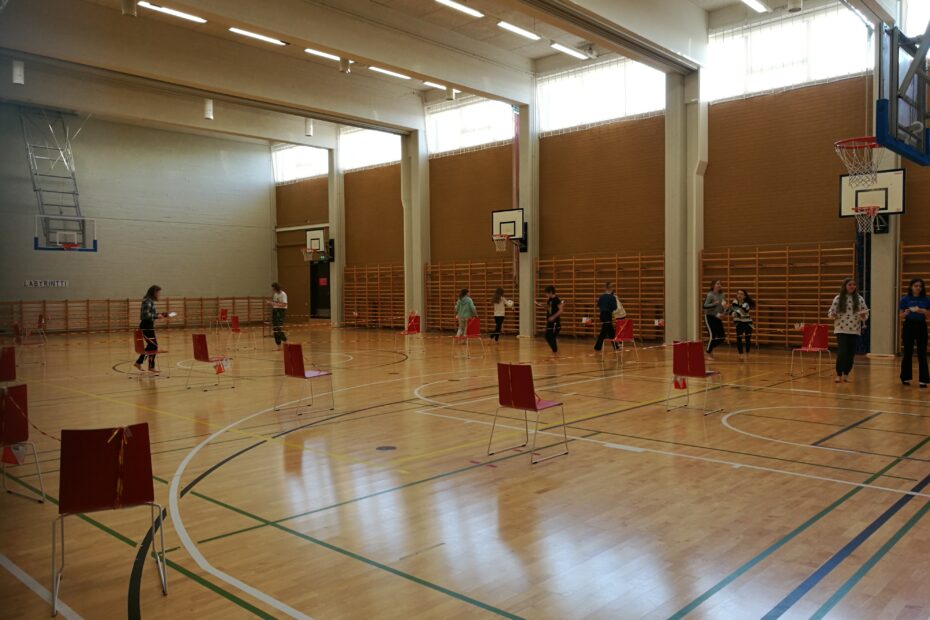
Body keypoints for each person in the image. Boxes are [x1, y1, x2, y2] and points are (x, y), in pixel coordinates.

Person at [828, 277, 870, 383]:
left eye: (854, 285)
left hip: (854, 330)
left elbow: (865, 314)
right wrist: (833, 314)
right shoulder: (838, 298)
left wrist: (863, 315)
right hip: (841, 329)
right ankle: (838, 374)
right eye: (850, 285)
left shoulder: (859, 299)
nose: (852, 286)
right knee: (842, 352)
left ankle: (846, 374)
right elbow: (831, 312)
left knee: (850, 354)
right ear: (845, 286)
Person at [898, 277, 930, 387]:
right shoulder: (905, 299)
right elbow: (901, 316)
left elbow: (929, 315)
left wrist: (923, 311)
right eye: (916, 286)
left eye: (920, 286)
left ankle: (923, 380)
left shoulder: (926, 299)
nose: (918, 288)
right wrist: (905, 313)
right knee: (908, 351)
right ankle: (905, 377)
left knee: (922, 352)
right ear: (911, 287)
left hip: (921, 325)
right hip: (909, 325)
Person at [134, 285, 168, 373]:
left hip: (148, 326)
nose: (159, 295)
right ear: (154, 292)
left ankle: (139, 363)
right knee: (154, 346)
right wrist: (157, 316)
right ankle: (150, 366)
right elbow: (146, 315)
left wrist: (161, 314)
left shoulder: (149, 300)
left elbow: (150, 314)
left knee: (151, 346)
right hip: (146, 327)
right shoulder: (147, 301)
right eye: (158, 293)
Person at [537, 285, 564, 357]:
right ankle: (555, 351)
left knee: (551, 336)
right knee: (547, 336)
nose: (546, 295)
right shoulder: (549, 300)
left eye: (547, 293)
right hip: (549, 321)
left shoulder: (557, 299)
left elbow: (561, 310)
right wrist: (541, 305)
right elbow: (549, 309)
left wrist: (553, 317)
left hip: (555, 322)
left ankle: (555, 352)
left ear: (551, 292)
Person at [703, 280, 727, 360]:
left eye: (720, 284)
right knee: (712, 335)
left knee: (722, 337)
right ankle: (707, 352)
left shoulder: (722, 295)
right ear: (713, 285)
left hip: (718, 317)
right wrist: (714, 304)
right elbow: (704, 306)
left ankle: (709, 347)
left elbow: (724, 306)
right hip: (709, 317)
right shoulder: (710, 295)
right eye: (717, 283)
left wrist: (724, 313)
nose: (719, 285)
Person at [729, 289, 755, 361]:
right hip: (739, 323)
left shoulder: (746, 304)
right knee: (739, 338)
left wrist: (731, 312)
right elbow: (731, 312)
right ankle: (741, 354)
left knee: (747, 339)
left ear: (744, 296)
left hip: (747, 323)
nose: (739, 295)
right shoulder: (734, 302)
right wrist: (728, 310)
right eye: (738, 293)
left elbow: (740, 313)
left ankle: (747, 354)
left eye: (741, 294)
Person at [593, 282, 618, 353]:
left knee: (608, 330)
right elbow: (614, 307)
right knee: (605, 331)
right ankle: (597, 347)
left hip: (602, 314)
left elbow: (598, 305)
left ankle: (615, 346)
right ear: (611, 288)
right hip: (607, 314)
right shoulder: (612, 297)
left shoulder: (601, 297)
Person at [268, 282, 288, 350]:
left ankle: (285, 341)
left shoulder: (283, 294)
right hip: (275, 311)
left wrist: (273, 303)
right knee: (275, 329)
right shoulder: (275, 294)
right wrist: (271, 303)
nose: (272, 289)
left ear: (276, 288)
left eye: (273, 288)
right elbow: (275, 303)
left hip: (281, 311)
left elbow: (284, 305)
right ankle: (278, 346)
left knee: (278, 328)